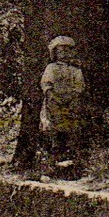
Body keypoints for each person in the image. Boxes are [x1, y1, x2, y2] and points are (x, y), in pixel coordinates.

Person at [40, 35, 86, 163]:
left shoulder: (75, 69)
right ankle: (55, 151)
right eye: (61, 51)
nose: (64, 54)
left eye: (67, 51)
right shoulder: (51, 68)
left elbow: (79, 86)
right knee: (55, 124)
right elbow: (46, 84)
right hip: (55, 101)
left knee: (71, 123)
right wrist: (54, 96)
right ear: (55, 54)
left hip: (70, 100)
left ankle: (71, 152)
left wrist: (71, 96)